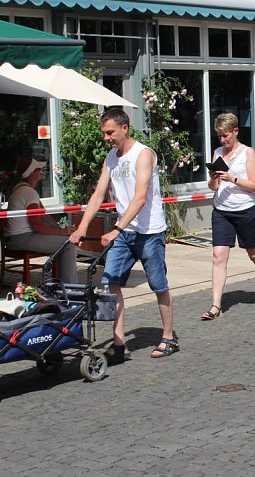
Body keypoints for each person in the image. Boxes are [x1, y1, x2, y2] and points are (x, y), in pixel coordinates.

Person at [70, 107, 177, 361]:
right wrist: (82, 227)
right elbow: (98, 193)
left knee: (158, 285)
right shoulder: (111, 157)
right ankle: (119, 343)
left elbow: (140, 198)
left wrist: (116, 229)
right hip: (124, 232)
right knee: (110, 282)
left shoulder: (143, 154)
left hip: (149, 231)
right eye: (104, 133)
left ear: (124, 128)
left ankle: (168, 337)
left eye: (110, 132)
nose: (106, 137)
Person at [200, 113, 255, 320]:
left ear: (235, 132)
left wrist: (232, 177)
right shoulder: (217, 153)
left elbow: (254, 185)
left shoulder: (247, 153)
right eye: (219, 137)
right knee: (218, 257)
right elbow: (213, 187)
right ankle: (215, 305)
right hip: (221, 212)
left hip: (244, 211)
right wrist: (213, 179)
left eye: (226, 136)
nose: (223, 140)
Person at [5, 156, 78, 285]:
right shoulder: (29, 193)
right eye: (38, 169)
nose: (41, 171)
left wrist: (62, 230)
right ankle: (70, 287)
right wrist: (62, 233)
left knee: (64, 243)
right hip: (22, 238)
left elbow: (44, 216)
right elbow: (37, 226)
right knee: (69, 245)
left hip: (14, 239)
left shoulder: (21, 190)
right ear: (32, 173)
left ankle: (59, 285)